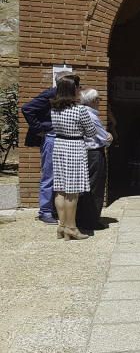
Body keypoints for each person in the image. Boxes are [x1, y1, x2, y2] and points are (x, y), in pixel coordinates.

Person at [21, 71, 80, 224]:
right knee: (50, 175)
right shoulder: (50, 94)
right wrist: (40, 129)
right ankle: (45, 211)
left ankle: (53, 209)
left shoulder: (65, 97)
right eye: (74, 82)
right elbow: (27, 108)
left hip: (61, 139)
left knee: (59, 177)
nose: (77, 86)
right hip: (51, 138)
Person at [50, 77, 97, 240]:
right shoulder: (80, 110)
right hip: (74, 147)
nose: (80, 89)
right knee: (72, 192)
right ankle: (71, 227)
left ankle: (61, 226)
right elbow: (91, 132)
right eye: (78, 86)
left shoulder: (54, 108)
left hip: (59, 145)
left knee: (60, 189)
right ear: (73, 89)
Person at [76, 88, 113, 231]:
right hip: (93, 153)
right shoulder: (90, 115)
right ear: (93, 101)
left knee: (88, 185)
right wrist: (109, 137)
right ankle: (91, 220)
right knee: (95, 186)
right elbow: (104, 137)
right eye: (99, 99)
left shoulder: (81, 111)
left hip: (86, 152)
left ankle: (85, 217)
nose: (100, 102)